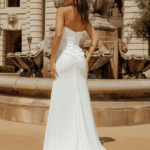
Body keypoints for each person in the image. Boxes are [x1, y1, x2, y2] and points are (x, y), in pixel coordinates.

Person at [43, 0, 106, 150]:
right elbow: (95, 39)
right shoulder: (84, 15)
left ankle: (62, 141)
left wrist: (52, 61)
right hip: (79, 60)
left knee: (62, 100)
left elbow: (58, 36)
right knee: (80, 100)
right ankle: (82, 140)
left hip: (65, 59)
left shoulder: (62, 11)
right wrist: (87, 58)